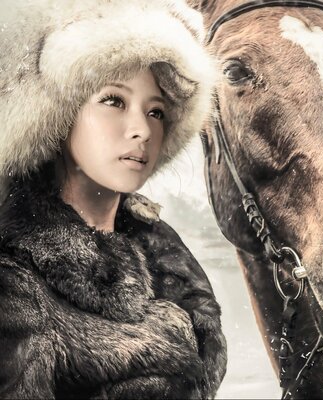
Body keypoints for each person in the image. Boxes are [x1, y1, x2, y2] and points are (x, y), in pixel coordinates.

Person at [0, 0, 226, 398]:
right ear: (59, 114)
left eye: (156, 112)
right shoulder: (13, 282)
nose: (141, 129)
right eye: (113, 101)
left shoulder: (165, 256)